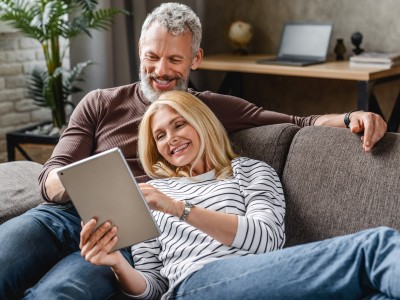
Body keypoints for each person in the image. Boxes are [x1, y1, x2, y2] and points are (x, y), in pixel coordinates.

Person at [0, 2, 388, 299]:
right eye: (152, 56)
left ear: (195, 60)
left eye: (174, 59)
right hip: (62, 215)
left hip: (127, 234)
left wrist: (355, 115)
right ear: (139, 50)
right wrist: (75, 184)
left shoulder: (210, 110)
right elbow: (50, 175)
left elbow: (297, 122)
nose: (161, 70)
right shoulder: (101, 102)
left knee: (61, 291)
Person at [80, 90, 400, 300]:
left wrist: (180, 209)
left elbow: (266, 239)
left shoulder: (250, 172)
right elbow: (154, 287)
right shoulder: (154, 193)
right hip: (193, 287)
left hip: (255, 284)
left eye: (179, 125)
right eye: (160, 135)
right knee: (375, 247)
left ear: (202, 123)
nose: (171, 139)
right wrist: (117, 264)